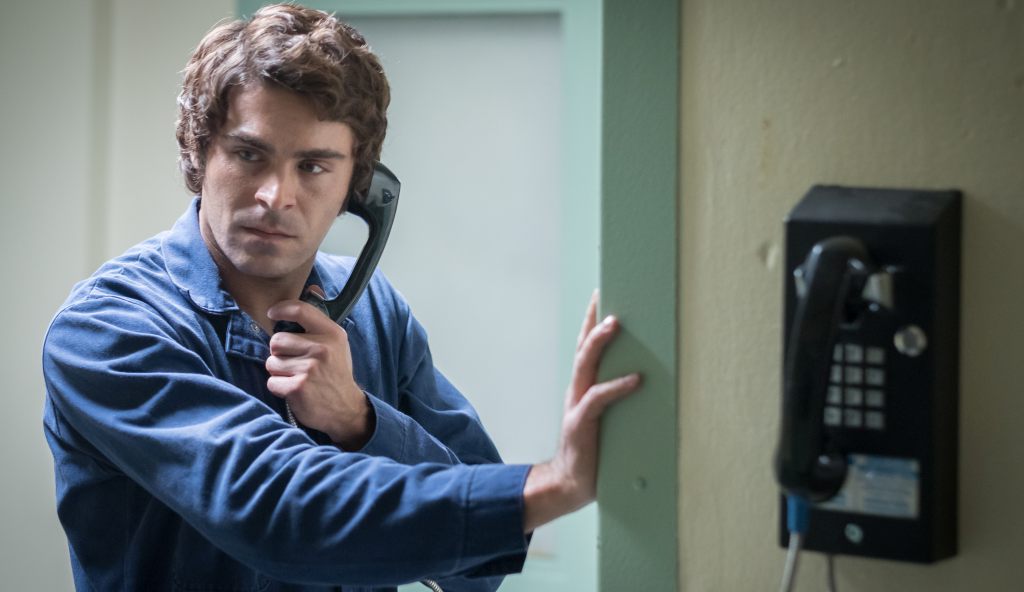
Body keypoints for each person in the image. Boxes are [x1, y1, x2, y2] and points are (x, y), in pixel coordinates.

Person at [42, 4, 641, 591]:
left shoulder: (377, 311)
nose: (276, 196)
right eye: (249, 154)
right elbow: (277, 510)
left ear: (359, 187)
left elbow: (477, 570)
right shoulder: (106, 329)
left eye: (313, 166)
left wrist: (360, 421)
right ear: (200, 152)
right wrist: (556, 483)